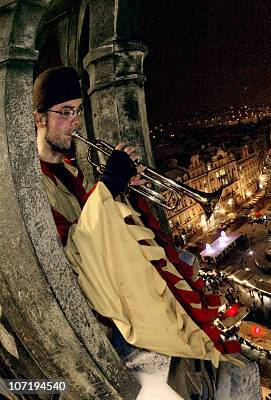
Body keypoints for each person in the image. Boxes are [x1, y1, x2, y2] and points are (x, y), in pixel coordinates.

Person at [33, 67, 241, 365]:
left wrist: (120, 187)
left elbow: (92, 219)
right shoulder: (35, 184)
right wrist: (109, 184)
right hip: (101, 306)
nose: (74, 123)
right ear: (39, 118)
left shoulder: (68, 169)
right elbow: (74, 250)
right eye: (65, 113)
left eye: (77, 112)